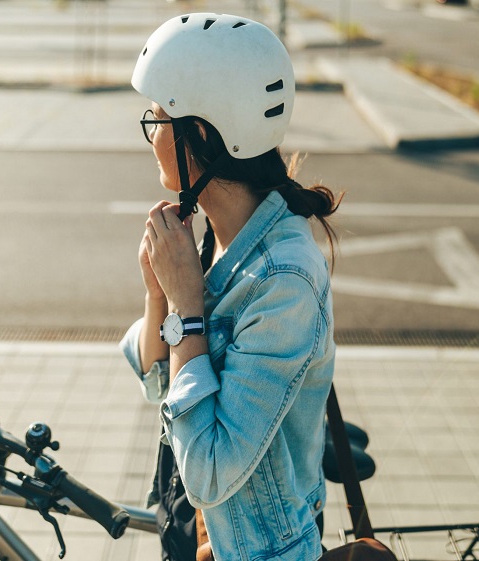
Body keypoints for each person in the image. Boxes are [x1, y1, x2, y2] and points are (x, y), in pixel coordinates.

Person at [120, 13, 341, 561]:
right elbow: (156, 381)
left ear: (200, 134)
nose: (151, 134)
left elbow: (212, 472)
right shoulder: (214, 237)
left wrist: (187, 307)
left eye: (158, 119)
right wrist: (160, 295)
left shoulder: (283, 280)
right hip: (191, 534)